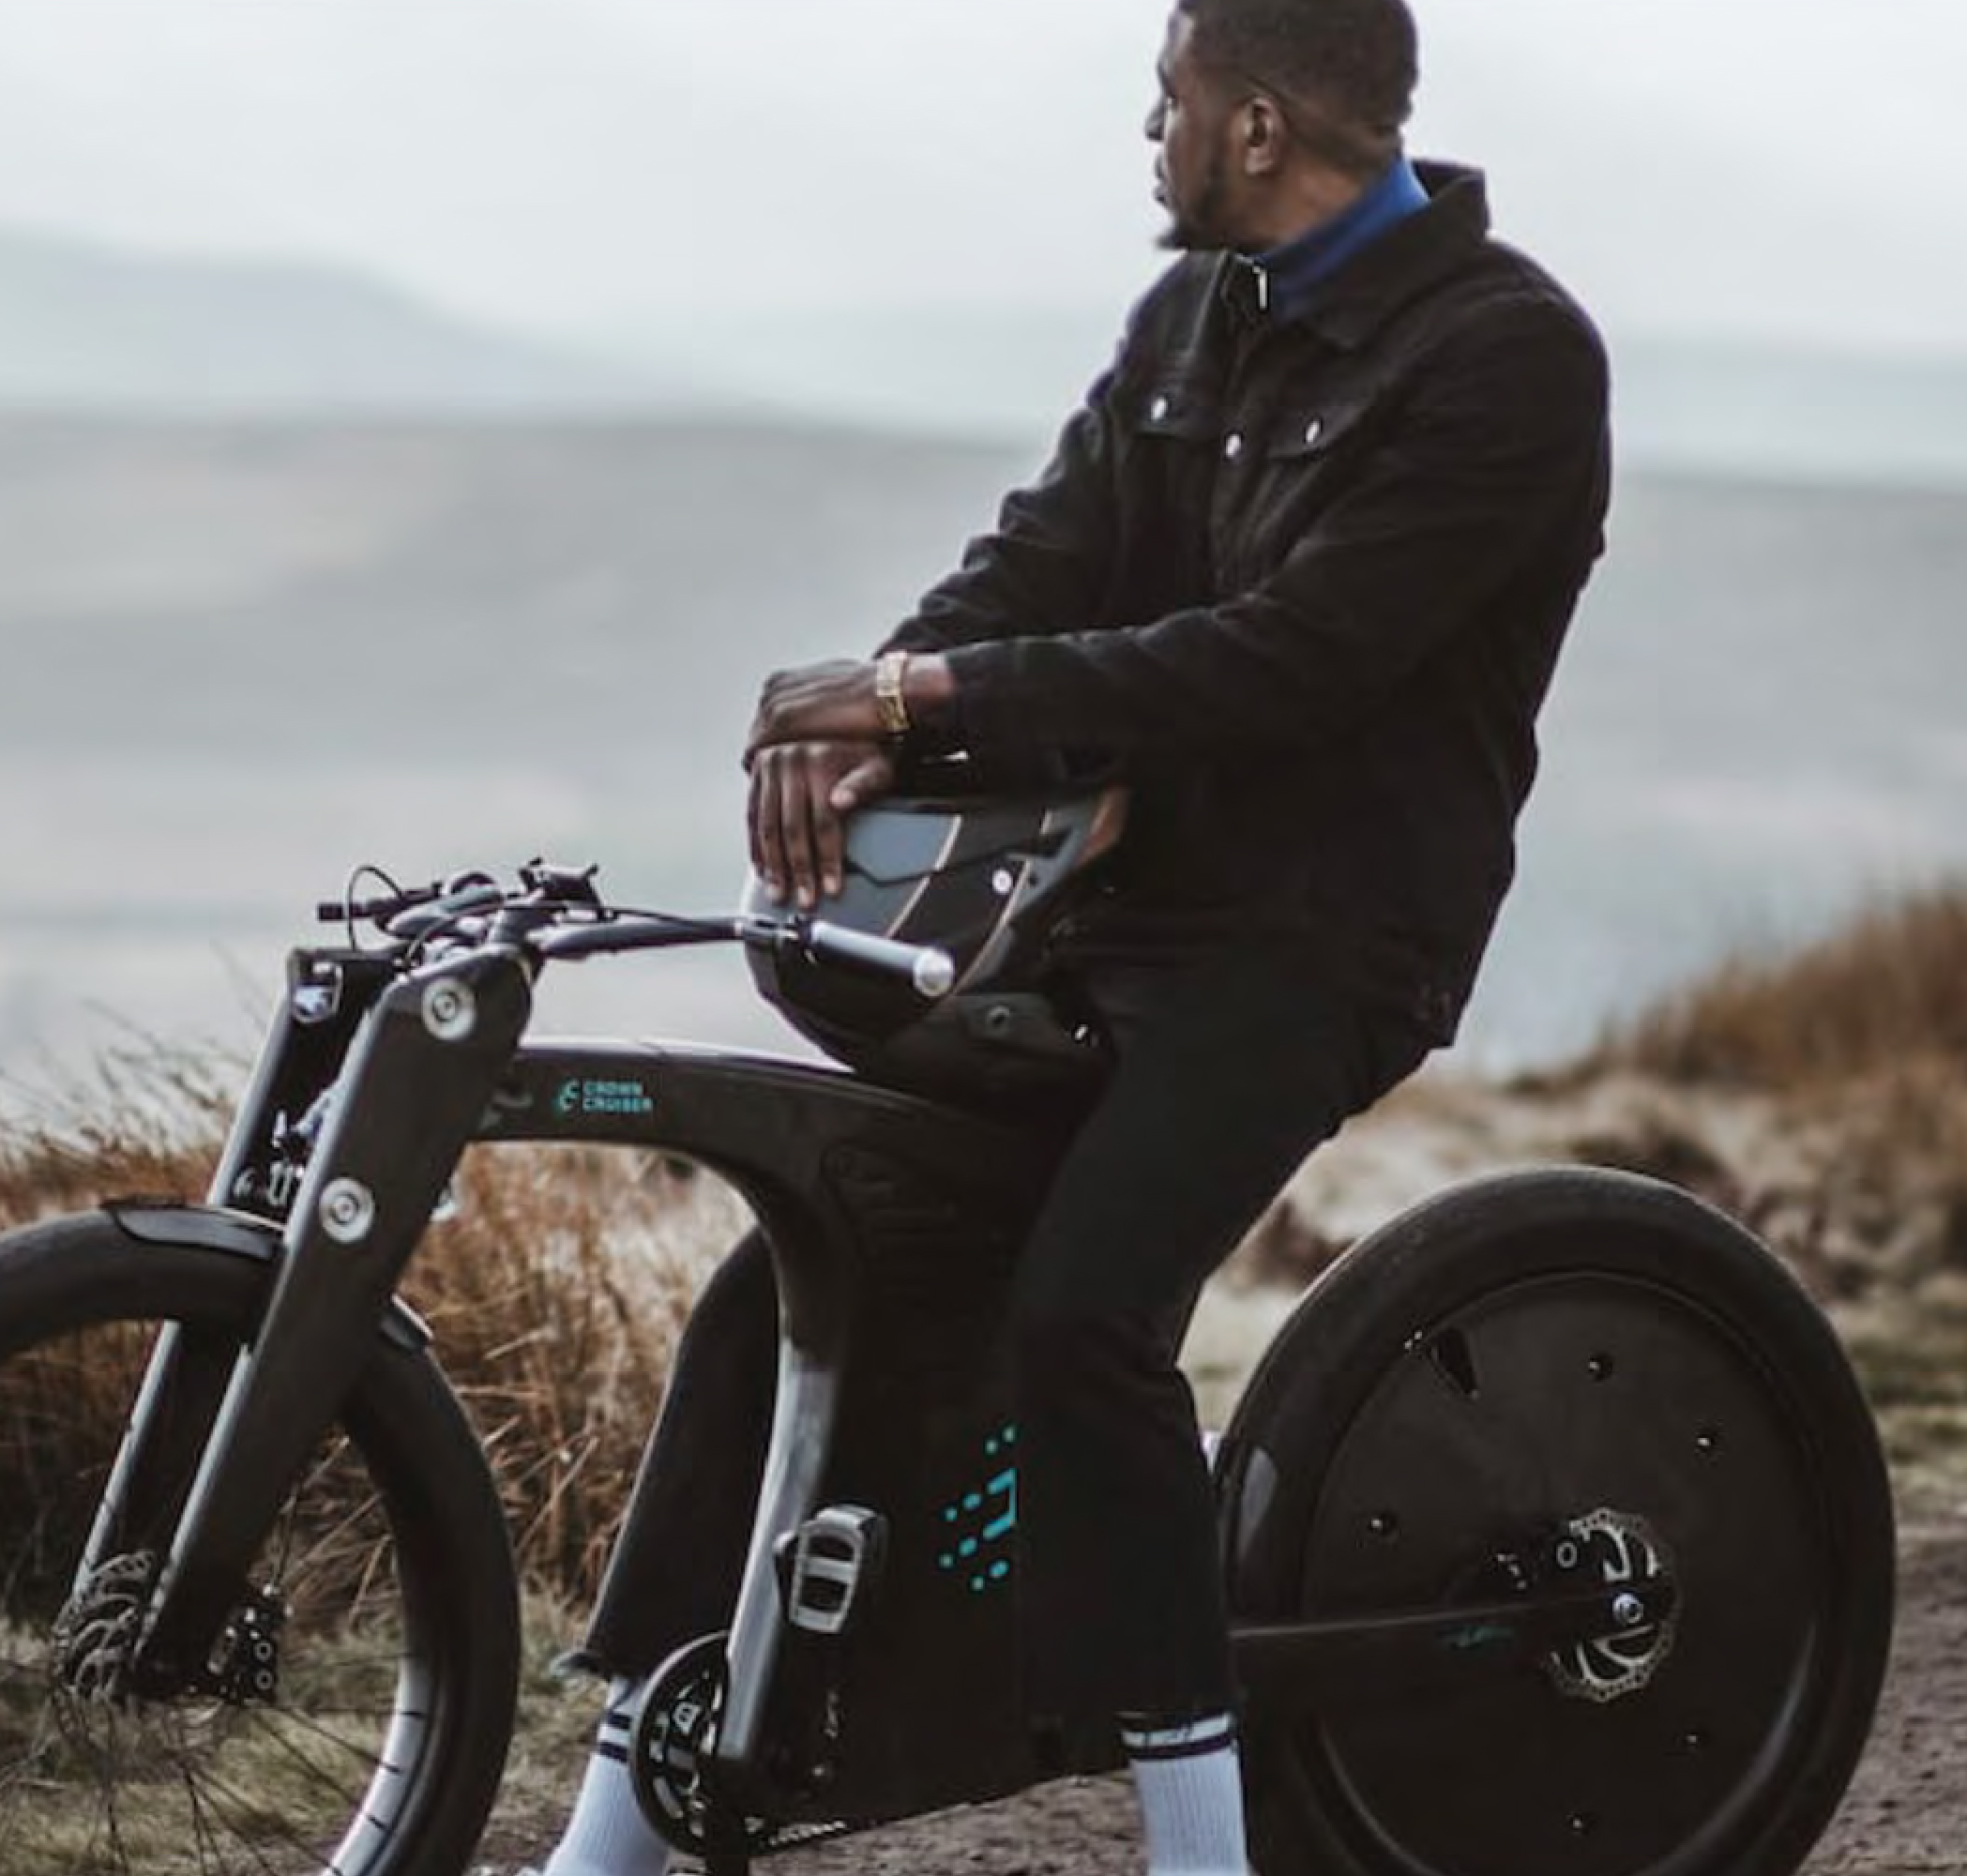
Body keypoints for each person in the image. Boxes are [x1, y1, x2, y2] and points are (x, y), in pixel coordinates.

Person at [521, 2, 1613, 1871]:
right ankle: (609, 1842)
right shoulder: (1200, 320)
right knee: (803, 1272)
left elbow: (1290, 665)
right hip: (1114, 921)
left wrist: (925, 689)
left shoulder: (1505, 360)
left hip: (1321, 944)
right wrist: (873, 715)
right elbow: (1043, 549)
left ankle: (1202, 1852)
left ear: (1255, 122)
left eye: (1165, 101)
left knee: (1083, 1323)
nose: (1145, 134)